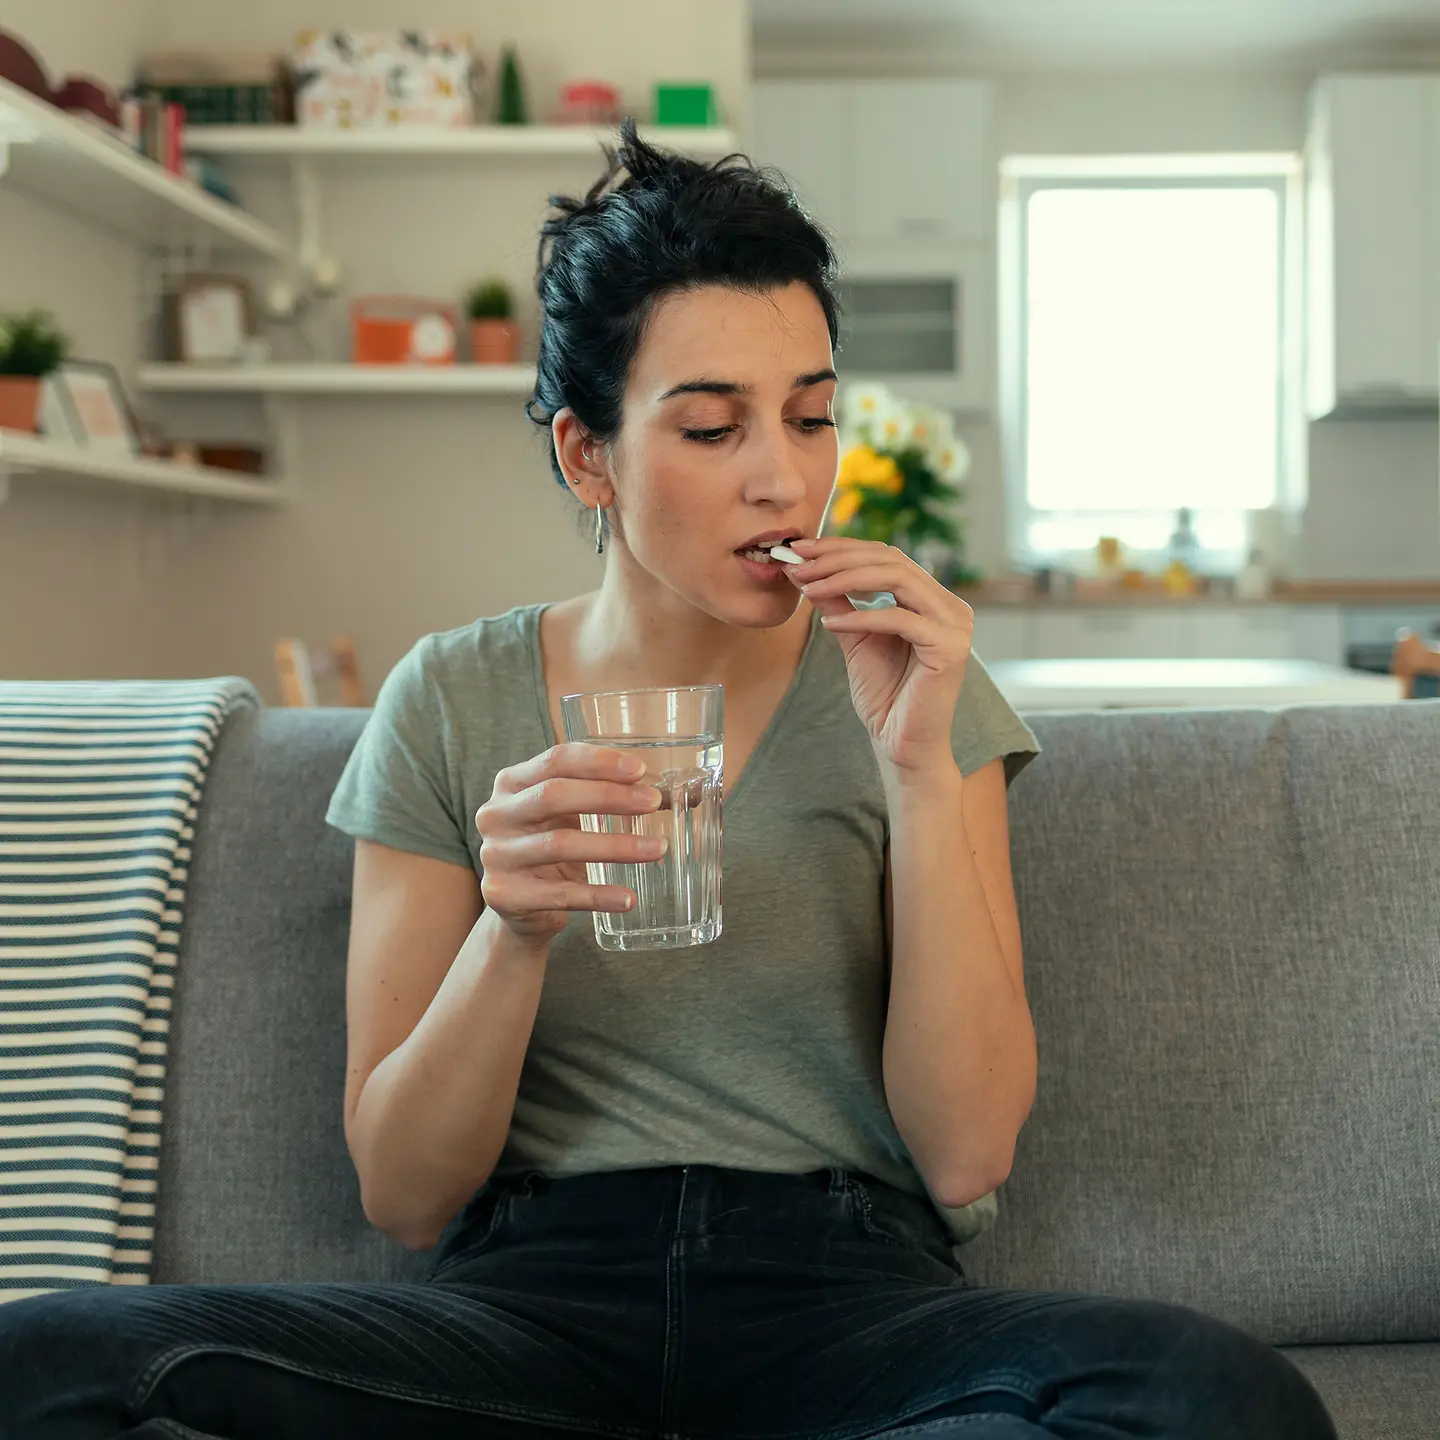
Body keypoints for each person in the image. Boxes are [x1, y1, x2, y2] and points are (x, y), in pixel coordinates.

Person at [0, 120, 1337, 1440]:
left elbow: (969, 1153)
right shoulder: (450, 697)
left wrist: (921, 771)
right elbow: (404, 1197)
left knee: (1220, 1397)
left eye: (811, 417)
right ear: (590, 454)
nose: (784, 478)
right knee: (43, 1354)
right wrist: (511, 933)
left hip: (845, 1303)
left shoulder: (916, 688)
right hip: (527, 1307)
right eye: (711, 430)